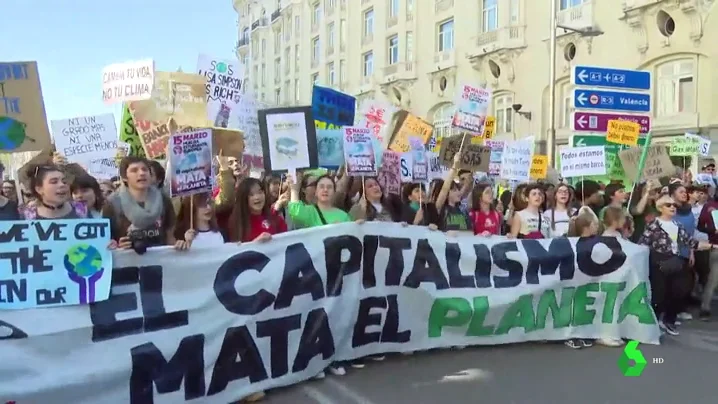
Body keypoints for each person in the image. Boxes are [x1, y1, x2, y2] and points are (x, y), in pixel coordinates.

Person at [639, 193, 712, 335]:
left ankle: (669, 320)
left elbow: (690, 242)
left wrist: (711, 246)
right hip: (658, 262)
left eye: (674, 205)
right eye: (668, 205)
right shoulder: (653, 225)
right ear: (660, 208)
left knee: (679, 291)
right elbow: (643, 244)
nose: (672, 207)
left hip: (675, 260)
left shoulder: (677, 225)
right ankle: (654, 322)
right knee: (659, 295)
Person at [102, 157, 185, 253]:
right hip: (128, 263)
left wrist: (179, 247)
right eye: (134, 170)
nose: (141, 173)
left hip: (160, 262)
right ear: (124, 177)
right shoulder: (112, 203)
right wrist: (117, 245)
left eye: (145, 169)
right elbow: (107, 241)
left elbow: (170, 236)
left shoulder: (163, 199)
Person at [229, 177, 287, 243]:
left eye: (260, 192)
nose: (257, 197)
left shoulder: (275, 218)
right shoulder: (238, 223)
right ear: (243, 198)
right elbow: (237, 250)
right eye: (251, 194)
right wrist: (255, 243)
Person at [21, 164, 89, 220]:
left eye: (64, 181)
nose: (62, 185)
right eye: (54, 182)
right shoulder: (27, 215)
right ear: (39, 189)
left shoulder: (81, 209)